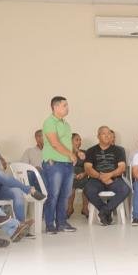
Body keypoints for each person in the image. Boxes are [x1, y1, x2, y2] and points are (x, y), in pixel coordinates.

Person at [42, 96, 78, 234]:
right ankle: (50, 224)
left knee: (65, 195)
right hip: (54, 163)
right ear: (55, 107)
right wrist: (70, 154)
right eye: (64, 105)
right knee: (54, 194)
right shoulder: (49, 122)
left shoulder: (65, 123)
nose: (67, 108)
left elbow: (66, 143)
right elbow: (55, 143)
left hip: (67, 164)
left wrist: (76, 152)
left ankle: (62, 223)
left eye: (67, 105)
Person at [84, 126, 130, 226]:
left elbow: (122, 168)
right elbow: (88, 168)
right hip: (96, 179)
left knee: (125, 189)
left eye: (109, 134)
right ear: (98, 136)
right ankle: (106, 212)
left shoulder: (118, 150)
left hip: (114, 179)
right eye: (104, 133)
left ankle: (104, 211)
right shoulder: (91, 150)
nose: (107, 136)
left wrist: (110, 175)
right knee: (88, 190)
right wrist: (101, 177)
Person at [67, 133, 89, 217]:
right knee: (70, 183)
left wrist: (83, 174)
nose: (79, 142)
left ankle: (85, 208)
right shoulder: (66, 153)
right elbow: (63, 167)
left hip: (83, 176)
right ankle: (69, 208)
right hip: (70, 176)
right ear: (70, 141)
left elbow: (89, 167)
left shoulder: (85, 153)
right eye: (77, 140)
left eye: (80, 140)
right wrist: (70, 174)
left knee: (88, 185)